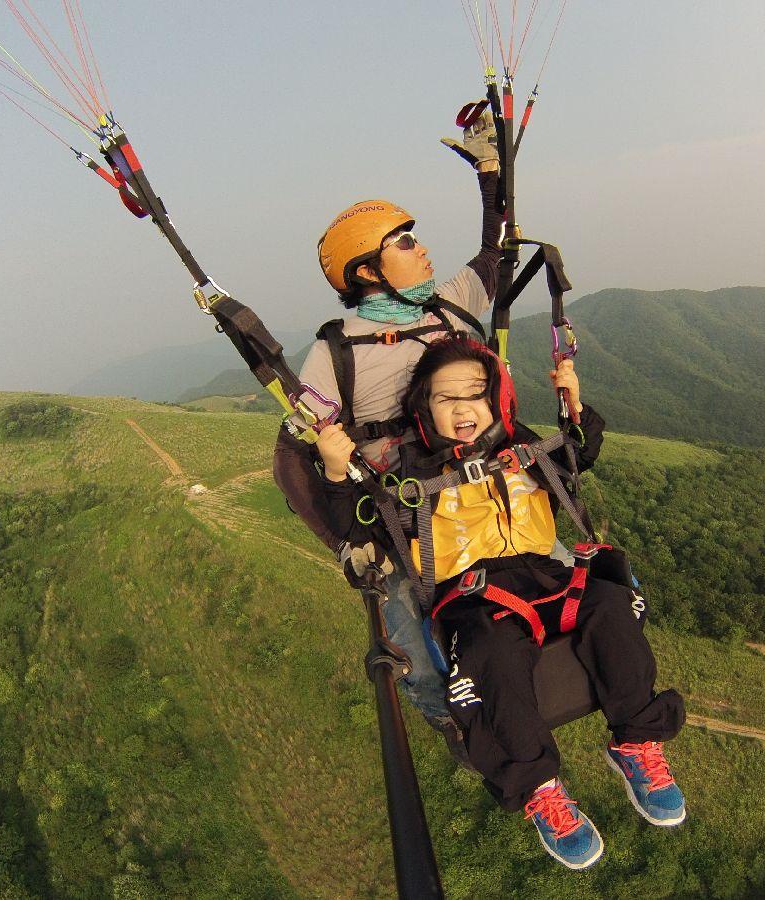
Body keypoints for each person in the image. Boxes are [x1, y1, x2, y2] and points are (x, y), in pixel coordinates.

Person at [313, 334, 687, 871]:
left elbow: (579, 455)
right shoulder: (407, 471)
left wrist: (573, 405)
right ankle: (538, 786)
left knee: (609, 601)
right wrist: (332, 469)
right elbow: (358, 526)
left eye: (476, 394)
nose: (465, 408)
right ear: (424, 409)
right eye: (447, 398)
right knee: (493, 654)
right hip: (475, 594)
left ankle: (637, 742)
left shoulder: (518, 443)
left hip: (547, 574)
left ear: (495, 401)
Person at [272, 110, 504, 748]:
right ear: (368, 272)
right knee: (411, 635)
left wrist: (491, 171)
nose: (421, 247)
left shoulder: (451, 303)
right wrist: (343, 540)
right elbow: (293, 458)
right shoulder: (336, 352)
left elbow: (498, 250)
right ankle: (448, 719)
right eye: (402, 242)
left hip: (476, 489)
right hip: (402, 515)